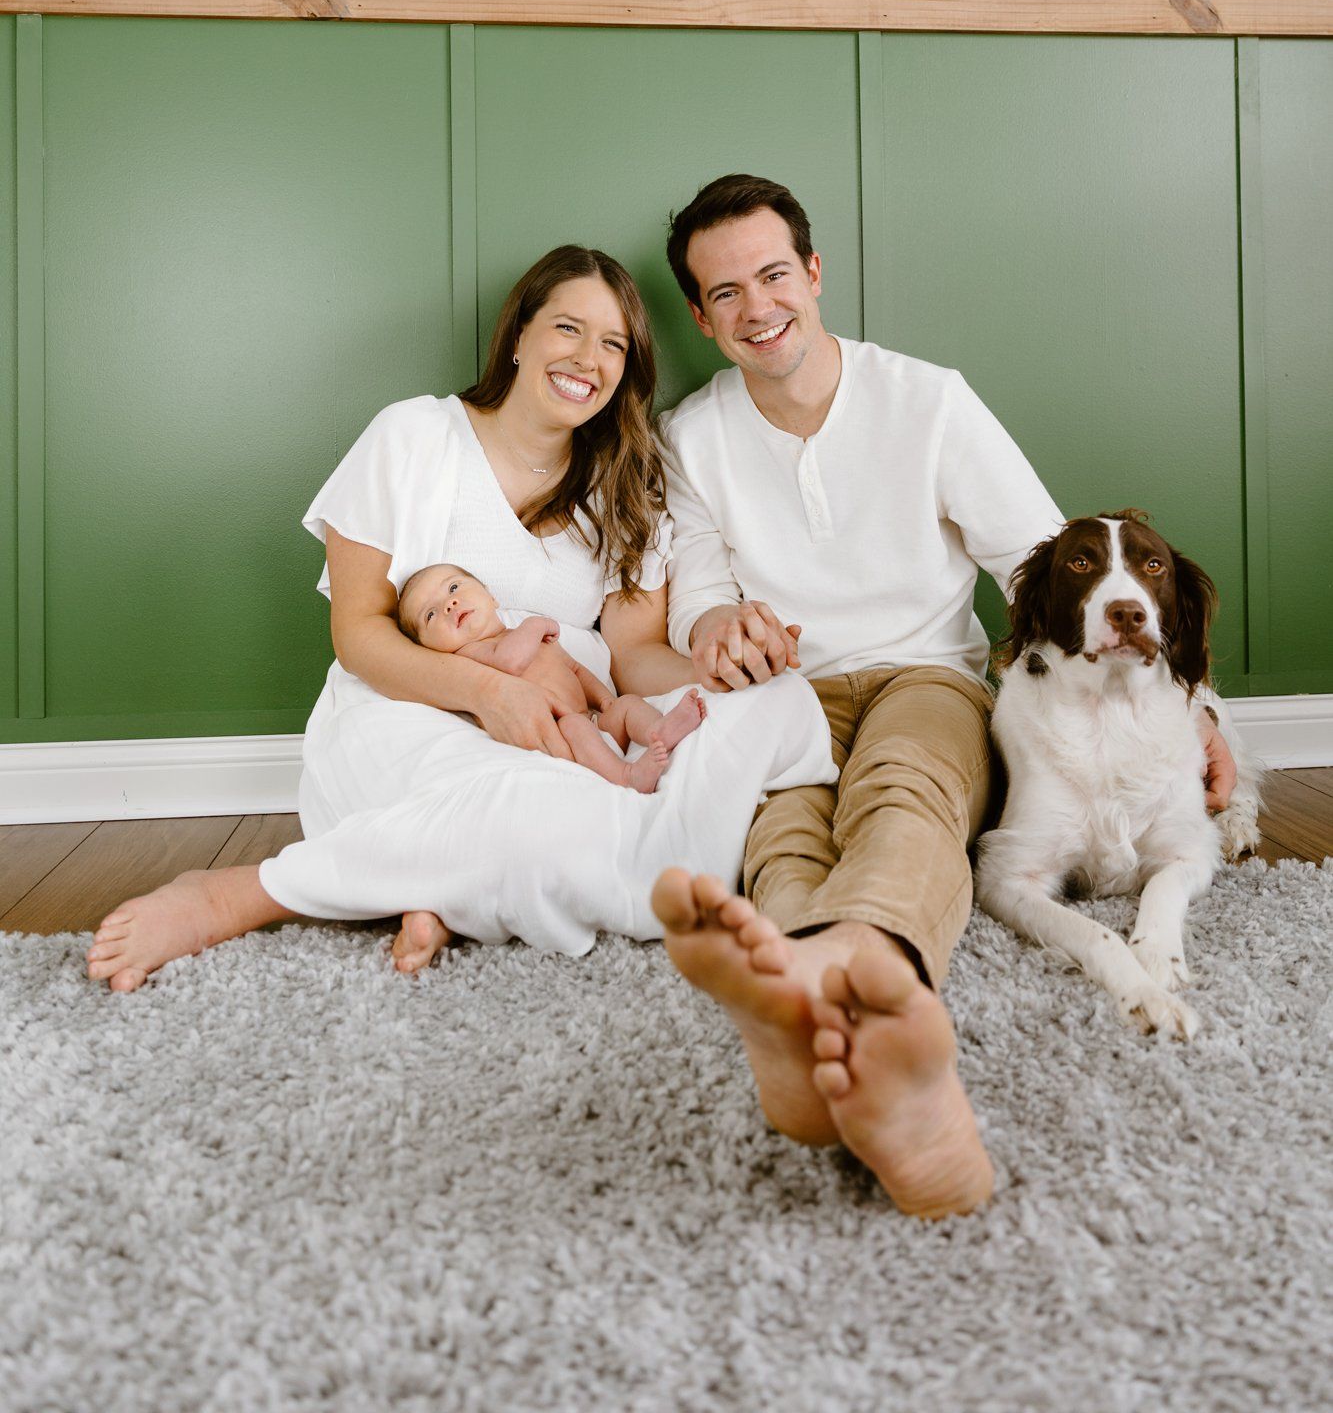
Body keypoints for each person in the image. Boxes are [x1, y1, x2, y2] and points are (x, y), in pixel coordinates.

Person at [648, 173, 1240, 1222]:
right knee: (786, 824)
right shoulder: (690, 436)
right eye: (725, 291)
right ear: (701, 316)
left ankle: (867, 965)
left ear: (814, 272)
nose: (757, 306)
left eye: (774, 274)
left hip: (927, 671)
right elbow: (696, 588)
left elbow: (1060, 574)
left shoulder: (928, 399)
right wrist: (714, 628)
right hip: (786, 688)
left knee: (908, 787)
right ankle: (806, 1003)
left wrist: (1201, 712)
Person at [86, 245, 834, 993]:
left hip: (576, 730)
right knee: (545, 820)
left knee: (782, 709)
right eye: (567, 328)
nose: (588, 358)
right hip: (413, 714)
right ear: (517, 336)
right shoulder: (413, 438)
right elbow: (360, 633)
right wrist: (487, 695)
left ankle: (437, 886)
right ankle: (240, 894)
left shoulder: (626, 482)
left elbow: (634, 655)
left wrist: (719, 673)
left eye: (612, 343)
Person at [395, 561, 708, 793]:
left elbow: (575, 669)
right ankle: (628, 776)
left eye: (453, 588)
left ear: (491, 596)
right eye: (431, 614)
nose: (449, 604)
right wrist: (536, 625)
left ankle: (659, 729)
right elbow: (509, 662)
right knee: (573, 724)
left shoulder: (523, 635)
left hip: (594, 722)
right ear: (428, 647)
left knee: (627, 704)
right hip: (565, 737)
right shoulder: (470, 656)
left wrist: (604, 699)